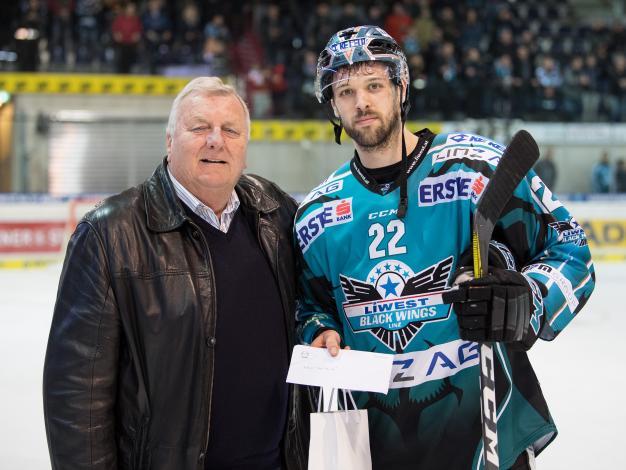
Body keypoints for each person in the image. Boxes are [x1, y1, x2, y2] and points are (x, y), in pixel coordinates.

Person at [295, 26, 595, 470]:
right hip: (379, 446)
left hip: (484, 430)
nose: (361, 102)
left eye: (374, 85)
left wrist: (526, 298)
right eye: (346, 91)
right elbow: (309, 305)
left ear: (400, 89)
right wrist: (318, 329)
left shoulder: (475, 170)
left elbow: (571, 251)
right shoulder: (317, 215)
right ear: (333, 106)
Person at [43, 77, 306, 470]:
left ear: (245, 149)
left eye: (230, 130)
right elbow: (77, 396)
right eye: (199, 127)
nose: (216, 140)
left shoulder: (276, 213)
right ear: (169, 142)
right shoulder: (110, 234)